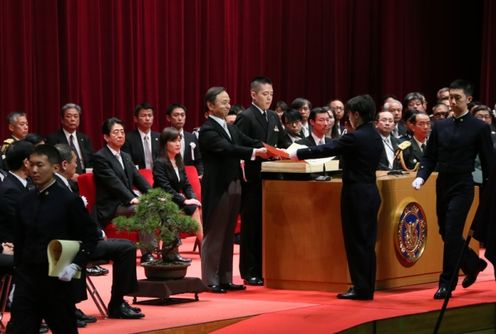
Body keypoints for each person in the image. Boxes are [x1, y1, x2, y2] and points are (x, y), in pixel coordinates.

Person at [290, 94, 383, 300]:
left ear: (356, 114)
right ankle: (366, 286)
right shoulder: (375, 134)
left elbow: (328, 148)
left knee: (356, 242)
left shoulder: (355, 136)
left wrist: (299, 153)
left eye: (350, 114)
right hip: (371, 191)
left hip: (356, 194)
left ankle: (360, 288)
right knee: (367, 242)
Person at [412, 79, 495, 299]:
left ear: (468, 99)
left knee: (451, 233)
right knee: (444, 231)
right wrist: (421, 176)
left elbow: (489, 163)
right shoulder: (440, 126)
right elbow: (429, 157)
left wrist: (489, 193)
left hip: (463, 185)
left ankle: (447, 282)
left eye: (457, 97)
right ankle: (473, 263)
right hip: (443, 183)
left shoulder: (479, 127)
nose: (452, 101)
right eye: (450, 97)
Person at [7, 144, 99, 333]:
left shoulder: (69, 200)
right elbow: (20, 240)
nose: (34, 170)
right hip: (27, 280)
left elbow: (90, 236)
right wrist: (16, 279)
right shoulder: (24, 200)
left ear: (55, 168)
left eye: (40, 165)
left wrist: (76, 265)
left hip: (57, 281)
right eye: (31, 165)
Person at [54, 143, 144, 320]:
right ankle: (114, 304)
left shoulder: (65, 184)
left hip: (80, 241)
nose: (76, 166)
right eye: (74, 162)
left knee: (126, 245)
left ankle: (118, 302)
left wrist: (95, 231)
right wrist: (95, 234)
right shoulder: (58, 187)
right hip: (70, 245)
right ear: (64, 165)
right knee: (125, 248)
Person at [199, 86, 267, 293]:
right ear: (211, 106)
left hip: (235, 183)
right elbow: (229, 149)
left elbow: (247, 141)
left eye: (229, 101)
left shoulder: (231, 127)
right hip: (218, 187)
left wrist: (270, 148)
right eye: (223, 102)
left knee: (228, 233)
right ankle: (210, 279)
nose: (228, 105)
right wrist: (256, 152)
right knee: (215, 233)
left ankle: (225, 278)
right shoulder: (208, 129)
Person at [235, 76, 285, 286]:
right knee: (252, 226)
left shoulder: (273, 117)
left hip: (272, 177)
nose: (269, 98)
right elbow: (239, 145)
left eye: (271, 94)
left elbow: (283, 141)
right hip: (252, 178)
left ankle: (265, 267)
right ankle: (250, 270)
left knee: (267, 226)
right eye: (265, 94)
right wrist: (259, 151)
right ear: (253, 94)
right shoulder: (245, 117)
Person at [92, 117, 153, 264]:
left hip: (126, 202)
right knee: (143, 209)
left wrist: (154, 195)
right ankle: (148, 253)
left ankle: (171, 251)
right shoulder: (100, 157)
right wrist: (131, 198)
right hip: (111, 205)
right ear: (106, 137)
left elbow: (138, 179)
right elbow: (114, 183)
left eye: (122, 132)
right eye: (116, 132)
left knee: (158, 205)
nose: (120, 135)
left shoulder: (125, 156)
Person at [153, 127, 203, 262]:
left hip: (175, 199)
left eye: (179, 140)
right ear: (165, 144)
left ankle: (204, 247)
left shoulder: (179, 160)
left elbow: (186, 184)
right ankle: (171, 253)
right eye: (173, 141)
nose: (178, 144)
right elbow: (165, 188)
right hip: (162, 199)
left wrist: (192, 198)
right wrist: (183, 200)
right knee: (172, 210)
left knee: (194, 207)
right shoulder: (159, 163)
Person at [46, 103, 94, 175]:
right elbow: (52, 163)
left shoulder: (85, 138)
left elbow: (91, 160)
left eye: (76, 116)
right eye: (69, 116)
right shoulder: (53, 139)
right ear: (62, 119)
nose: (73, 119)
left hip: (84, 177)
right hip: (66, 177)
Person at [166, 103, 204, 177]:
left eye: (182, 115)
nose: (180, 118)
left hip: (189, 177)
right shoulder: (164, 137)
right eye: (176, 115)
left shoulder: (192, 137)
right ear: (168, 118)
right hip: (169, 176)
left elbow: (198, 160)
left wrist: (200, 174)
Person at [122, 102, 160, 170]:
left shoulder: (159, 137)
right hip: (138, 176)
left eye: (150, 115)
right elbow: (128, 163)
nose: (147, 118)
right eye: (143, 116)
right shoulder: (128, 139)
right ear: (135, 119)